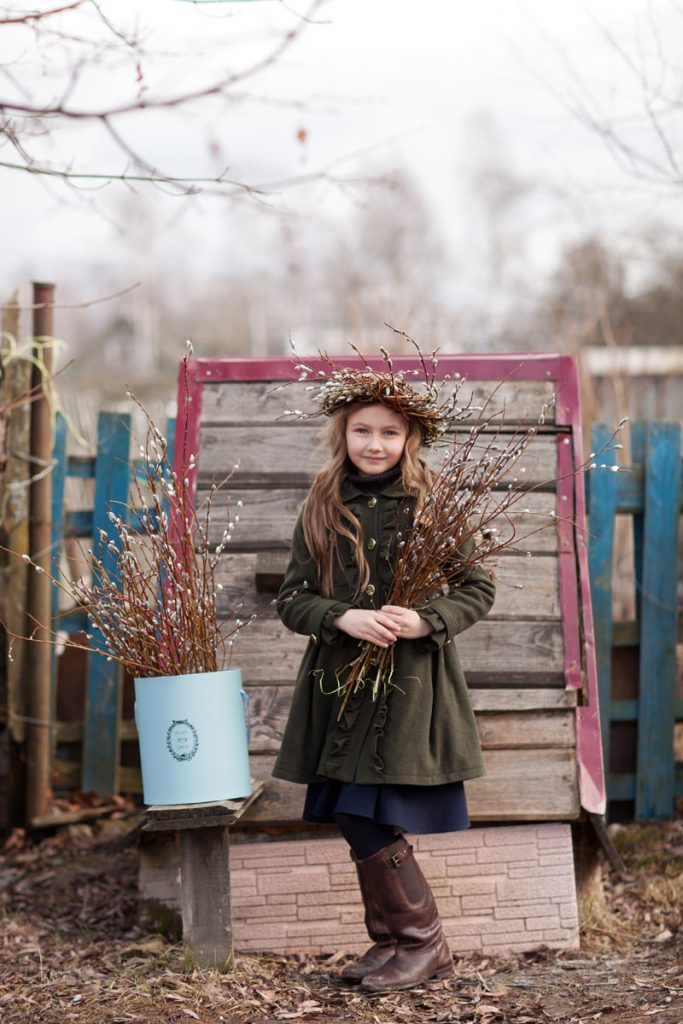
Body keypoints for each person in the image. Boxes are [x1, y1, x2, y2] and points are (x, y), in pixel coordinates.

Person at [272, 366, 496, 994]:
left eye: (389, 433)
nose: (374, 443)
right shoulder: (321, 505)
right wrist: (340, 614)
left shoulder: (433, 504)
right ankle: (397, 942)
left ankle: (423, 944)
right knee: (350, 811)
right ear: (341, 434)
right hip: (339, 684)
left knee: (365, 809)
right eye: (361, 430)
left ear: (410, 438)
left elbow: (479, 587)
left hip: (408, 687)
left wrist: (427, 621)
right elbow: (292, 598)